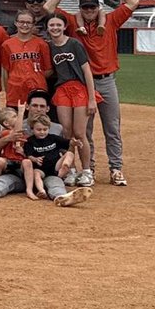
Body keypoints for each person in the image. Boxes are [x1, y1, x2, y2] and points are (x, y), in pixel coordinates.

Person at [45, 0, 139, 185]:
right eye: (85, 8)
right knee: (84, 131)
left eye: (92, 8)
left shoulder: (111, 21)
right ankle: (90, 169)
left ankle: (116, 168)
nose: (89, 11)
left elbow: (134, 2)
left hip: (106, 81)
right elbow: (48, 8)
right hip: (81, 83)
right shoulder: (71, 23)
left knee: (111, 127)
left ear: (98, 8)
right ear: (80, 8)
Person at [0, 107, 91, 207]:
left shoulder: (54, 134)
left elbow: (67, 146)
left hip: (48, 173)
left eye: (42, 106)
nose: (42, 131)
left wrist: (73, 145)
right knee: (4, 182)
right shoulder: (26, 137)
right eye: (35, 106)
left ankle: (62, 198)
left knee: (55, 184)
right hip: (23, 174)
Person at [45, 14, 98, 187]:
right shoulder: (49, 47)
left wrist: (92, 99)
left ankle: (87, 171)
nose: (55, 28)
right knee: (66, 133)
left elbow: (87, 71)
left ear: (64, 26)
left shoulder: (74, 44)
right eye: (51, 25)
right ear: (47, 28)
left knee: (80, 132)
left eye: (58, 25)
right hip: (62, 90)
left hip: (79, 89)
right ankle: (71, 169)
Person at [0, 11, 52, 112]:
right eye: (21, 22)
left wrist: (35, 77)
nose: (24, 25)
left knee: (37, 123)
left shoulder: (41, 44)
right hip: (15, 91)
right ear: (16, 23)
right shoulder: (6, 44)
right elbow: (5, 70)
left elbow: (48, 69)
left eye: (28, 22)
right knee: (15, 124)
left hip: (37, 90)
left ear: (33, 24)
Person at [23, 116, 79, 200]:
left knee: (69, 154)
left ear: (49, 129)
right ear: (32, 129)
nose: (42, 132)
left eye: (45, 129)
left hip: (55, 166)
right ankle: (41, 190)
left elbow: (68, 143)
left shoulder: (53, 138)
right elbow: (28, 155)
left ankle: (64, 168)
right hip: (41, 168)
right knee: (36, 173)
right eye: (39, 130)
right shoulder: (30, 141)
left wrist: (74, 143)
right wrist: (35, 159)